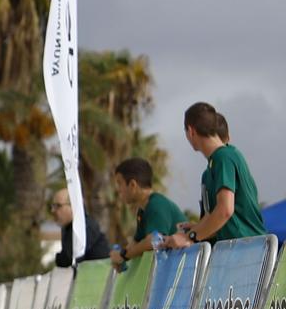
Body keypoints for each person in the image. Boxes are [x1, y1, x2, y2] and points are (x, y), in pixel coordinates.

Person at [162, 102, 265, 250]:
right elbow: (217, 219)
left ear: (191, 131)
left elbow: (225, 210)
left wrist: (189, 237)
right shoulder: (215, 164)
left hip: (249, 253)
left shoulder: (224, 157)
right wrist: (195, 229)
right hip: (237, 252)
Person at [111, 157, 186, 267]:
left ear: (132, 185)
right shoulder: (142, 211)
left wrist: (124, 255)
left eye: (119, 183)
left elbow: (154, 240)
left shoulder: (156, 204)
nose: (118, 190)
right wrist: (119, 257)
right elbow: (136, 244)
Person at [49, 187, 111, 267]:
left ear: (73, 205)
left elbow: (70, 260)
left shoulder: (85, 227)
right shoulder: (68, 228)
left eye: (58, 206)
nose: (53, 210)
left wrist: (60, 258)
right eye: (52, 206)